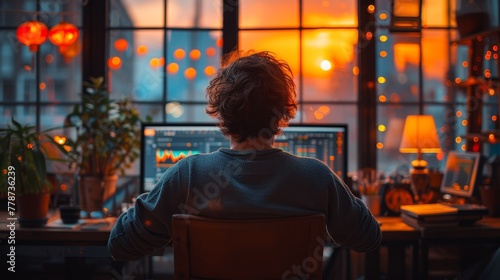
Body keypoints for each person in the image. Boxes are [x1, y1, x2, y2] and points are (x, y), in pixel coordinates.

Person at [108, 50, 381, 261]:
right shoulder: (317, 177)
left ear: (221, 113)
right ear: (283, 113)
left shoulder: (187, 175)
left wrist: (148, 204)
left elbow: (120, 244)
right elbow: (368, 238)